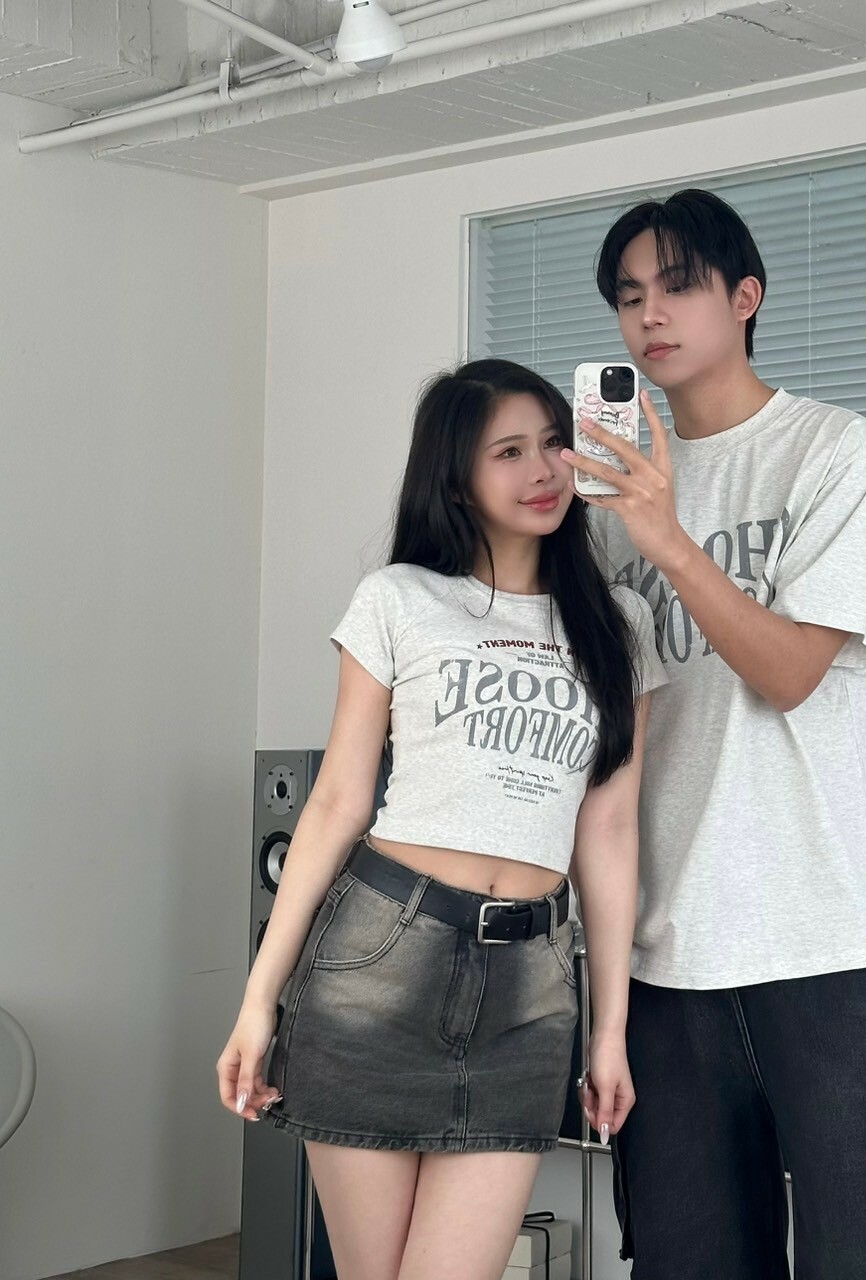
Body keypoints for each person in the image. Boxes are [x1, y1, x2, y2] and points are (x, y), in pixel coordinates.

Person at [565, 189, 866, 1280]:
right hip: (663, 950)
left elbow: (790, 674)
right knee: (686, 1259)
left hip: (822, 940)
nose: (650, 314)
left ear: (745, 297)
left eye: (677, 285)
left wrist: (667, 538)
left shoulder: (833, 451)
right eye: (628, 296)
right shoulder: (608, 499)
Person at [216, 358, 665, 1280]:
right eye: (509, 452)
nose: (543, 470)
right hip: (379, 962)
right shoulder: (400, 599)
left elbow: (611, 831)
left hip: (529, 992)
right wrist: (259, 1000)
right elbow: (338, 801)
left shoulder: (618, 624)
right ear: (456, 479)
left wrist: (609, 1029)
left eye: (554, 444)